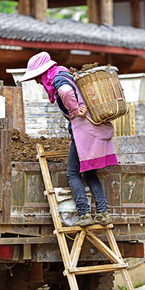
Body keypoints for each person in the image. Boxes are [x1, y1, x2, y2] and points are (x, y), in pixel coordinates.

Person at [19, 52, 118, 226]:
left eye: (37, 77)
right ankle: (103, 213)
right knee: (89, 173)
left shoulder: (57, 80)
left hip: (84, 132)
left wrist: (74, 110)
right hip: (93, 129)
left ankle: (84, 214)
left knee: (73, 173)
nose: (36, 81)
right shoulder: (66, 74)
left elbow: (65, 91)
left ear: (44, 73)